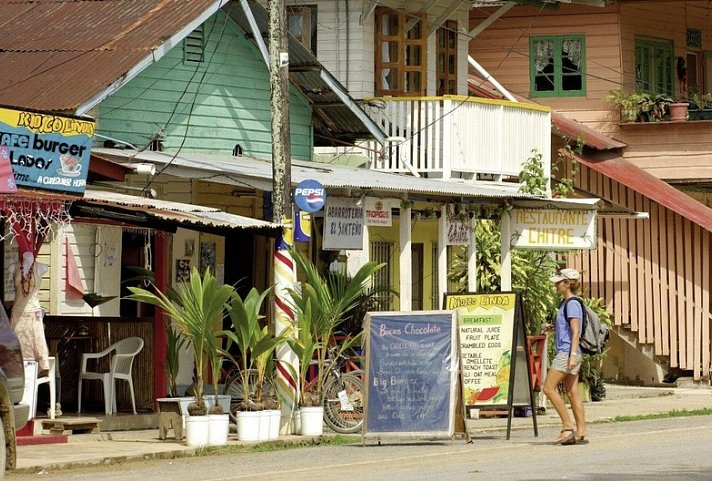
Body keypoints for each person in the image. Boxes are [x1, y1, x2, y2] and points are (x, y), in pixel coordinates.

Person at [541, 268, 588, 446]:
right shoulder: (566, 303)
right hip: (569, 351)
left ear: (567, 284)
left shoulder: (572, 304)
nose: (555, 285)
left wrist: (572, 356)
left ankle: (567, 426)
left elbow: (576, 332)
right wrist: (552, 327)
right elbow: (569, 329)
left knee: (548, 388)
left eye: (559, 282)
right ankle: (582, 431)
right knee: (572, 391)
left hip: (568, 352)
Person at [10, 251, 51, 374]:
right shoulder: (14, 267)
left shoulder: (41, 267)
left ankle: (37, 374)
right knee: (16, 348)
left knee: (36, 346)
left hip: (34, 312)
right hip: (18, 312)